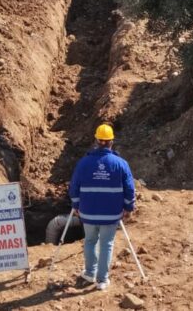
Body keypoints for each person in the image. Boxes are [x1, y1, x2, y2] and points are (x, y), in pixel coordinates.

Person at [69, 123, 136, 292]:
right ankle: (102, 280)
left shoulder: (84, 163)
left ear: (97, 141)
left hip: (88, 212)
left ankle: (90, 272)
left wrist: (76, 205)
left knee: (90, 241)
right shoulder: (120, 163)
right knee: (106, 244)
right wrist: (129, 207)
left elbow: (74, 186)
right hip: (111, 213)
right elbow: (129, 188)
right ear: (111, 141)